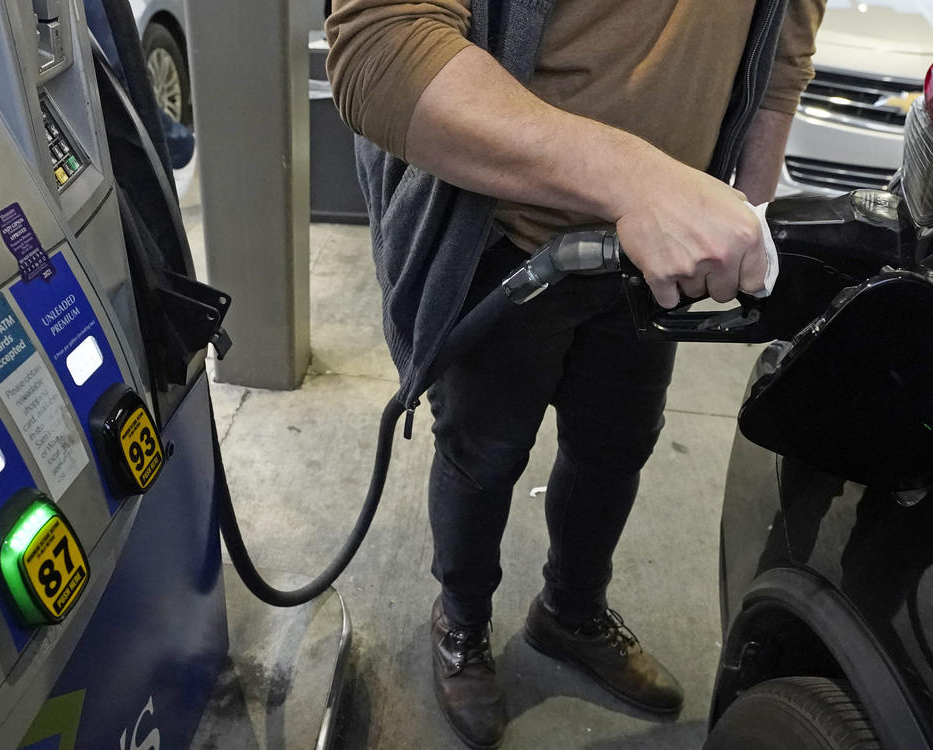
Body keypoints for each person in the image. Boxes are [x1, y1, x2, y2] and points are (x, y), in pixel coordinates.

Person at [325, 1, 825, 747]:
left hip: (655, 266)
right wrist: (636, 180)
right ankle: (460, 617)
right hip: (507, 243)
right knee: (483, 455)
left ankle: (571, 611)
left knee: (615, 447)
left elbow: (781, 55)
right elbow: (381, 45)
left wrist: (747, 219)